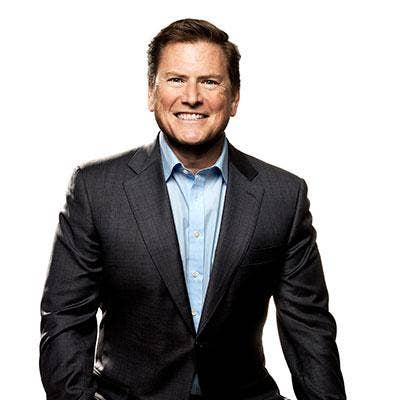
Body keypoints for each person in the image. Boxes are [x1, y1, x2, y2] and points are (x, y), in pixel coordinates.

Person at [40, 18, 346, 400]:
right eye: (176, 79)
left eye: (209, 82)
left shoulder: (282, 196)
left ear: (234, 98)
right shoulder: (96, 190)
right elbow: (65, 319)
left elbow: (310, 330)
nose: (192, 97)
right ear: (151, 93)